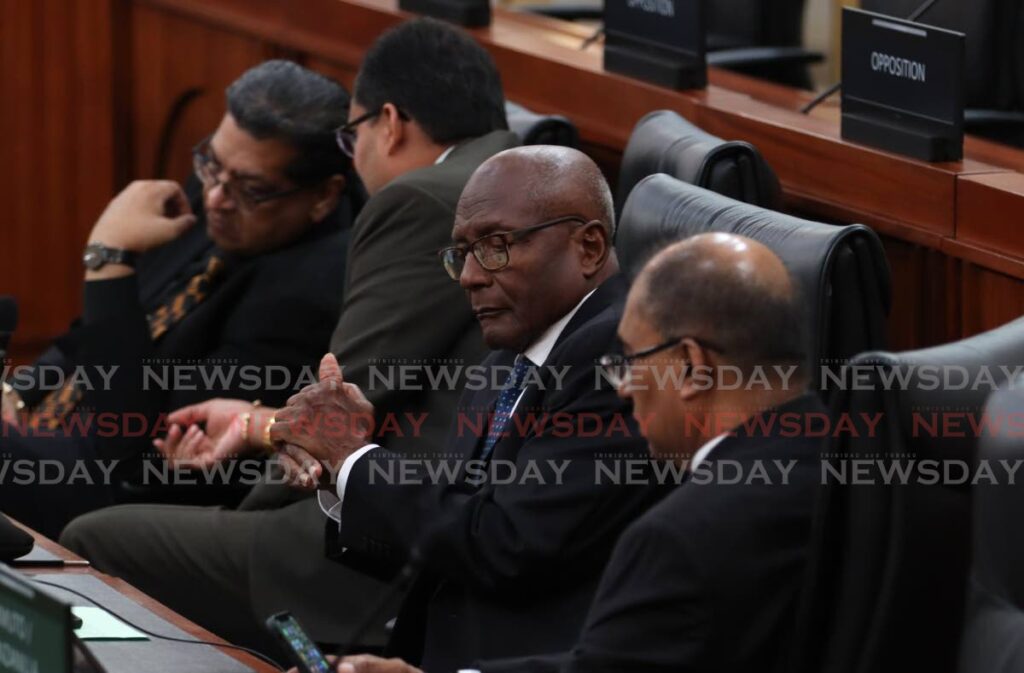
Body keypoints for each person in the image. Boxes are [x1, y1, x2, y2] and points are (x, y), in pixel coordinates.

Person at [61, 17, 519, 656]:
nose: (353, 154)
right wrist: (255, 424)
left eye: (350, 133)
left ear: (388, 124)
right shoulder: (508, 175)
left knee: (88, 540)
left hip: (373, 553)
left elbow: (338, 405)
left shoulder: (422, 199)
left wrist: (243, 529)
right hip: (435, 508)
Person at [307, 232, 826, 673]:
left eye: (632, 361)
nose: (623, 388)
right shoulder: (851, 462)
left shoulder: (678, 538)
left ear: (691, 366)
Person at [269, 145, 667, 672]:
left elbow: (510, 543)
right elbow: (459, 531)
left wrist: (354, 461)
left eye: (496, 246)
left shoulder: (617, 355)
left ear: (589, 246)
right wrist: (339, 476)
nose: (470, 276)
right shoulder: (509, 355)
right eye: (462, 252)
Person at [0, 59, 353, 537]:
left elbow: (126, 448)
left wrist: (108, 260)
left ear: (324, 196)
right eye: (211, 165)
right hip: (67, 431)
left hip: (117, 493)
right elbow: (91, 337)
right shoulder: (227, 198)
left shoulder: (312, 287)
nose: (215, 200)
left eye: (250, 189)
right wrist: (16, 392)